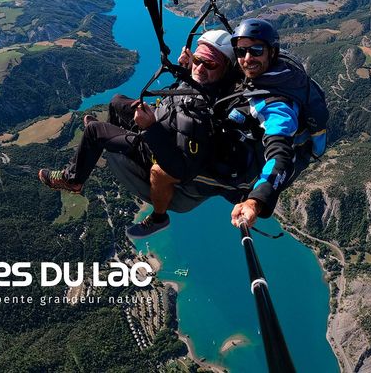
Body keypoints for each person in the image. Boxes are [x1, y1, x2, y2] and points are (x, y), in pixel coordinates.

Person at [38, 30, 237, 238]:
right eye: (198, 59)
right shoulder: (210, 84)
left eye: (210, 64)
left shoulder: (201, 117)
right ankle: (113, 136)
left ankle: (73, 180)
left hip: (153, 148)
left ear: (225, 68)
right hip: (163, 124)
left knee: (94, 131)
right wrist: (186, 70)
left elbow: (179, 170)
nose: (200, 67)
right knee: (116, 101)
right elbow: (193, 86)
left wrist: (150, 128)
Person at [223, 18, 323, 229]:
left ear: (272, 52)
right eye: (241, 52)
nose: (247, 58)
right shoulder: (273, 74)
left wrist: (255, 201)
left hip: (260, 164)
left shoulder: (278, 107)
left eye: (256, 50)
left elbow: (280, 156)